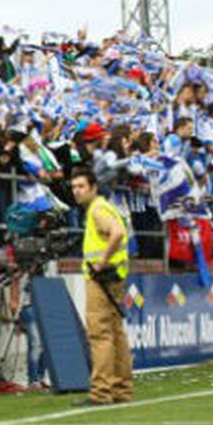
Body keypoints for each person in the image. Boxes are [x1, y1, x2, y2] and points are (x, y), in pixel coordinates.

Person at [70, 167, 132, 406]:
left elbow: (117, 233)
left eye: (81, 186)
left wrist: (101, 262)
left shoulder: (97, 210)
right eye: (74, 187)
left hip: (101, 278)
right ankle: (122, 389)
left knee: (99, 334)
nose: (76, 191)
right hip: (115, 276)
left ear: (93, 188)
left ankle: (101, 391)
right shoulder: (106, 207)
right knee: (116, 333)